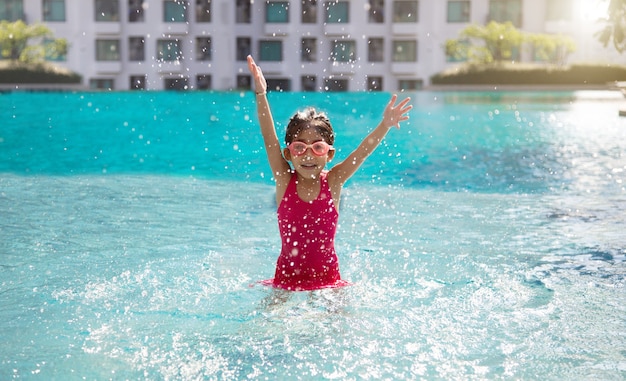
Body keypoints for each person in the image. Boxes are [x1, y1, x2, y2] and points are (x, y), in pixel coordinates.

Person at [247, 55, 412, 291]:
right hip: (286, 279)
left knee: (338, 326)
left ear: (329, 154)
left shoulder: (334, 181)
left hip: (328, 281)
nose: (308, 155)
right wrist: (261, 94)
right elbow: (268, 138)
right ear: (288, 153)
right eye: (299, 147)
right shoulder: (285, 180)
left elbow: (362, 152)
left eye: (318, 147)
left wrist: (384, 125)